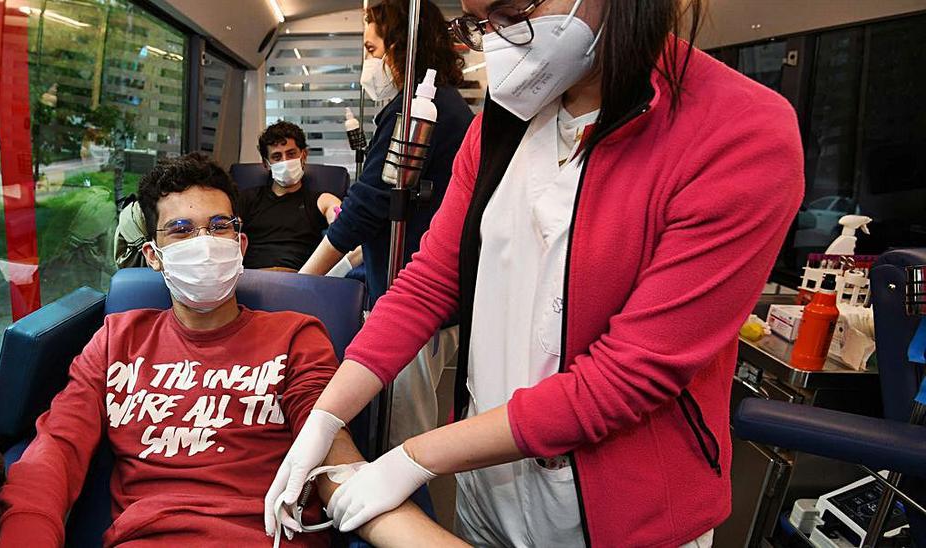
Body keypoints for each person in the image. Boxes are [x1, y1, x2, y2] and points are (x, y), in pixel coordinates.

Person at [268, 0, 805, 546]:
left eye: (513, 9)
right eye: (482, 22)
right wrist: (327, 417)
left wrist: (414, 457)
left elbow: (629, 376)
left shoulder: (740, 133)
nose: (502, 38)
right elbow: (430, 280)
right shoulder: (502, 124)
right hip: (488, 485)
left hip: (624, 515)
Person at [0, 153, 461, 547]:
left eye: (218, 227)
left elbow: (332, 457)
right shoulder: (118, 339)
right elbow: (54, 453)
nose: (203, 243)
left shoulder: (295, 335)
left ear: (240, 244)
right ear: (154, 257)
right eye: (180, 230)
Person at [298, 0, 473, 448]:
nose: (368, 64)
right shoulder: (431, 106)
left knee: (399, 439)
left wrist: (301, 283)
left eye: (372, 50)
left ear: (400, 46)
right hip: (421, 293)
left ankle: (401, 512)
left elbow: (371, 203)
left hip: (414, 301)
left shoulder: (420, 111)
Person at [238, 121, 342, 271]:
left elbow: (340, 217)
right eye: (277, 157)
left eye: (291, 154)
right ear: (266, 164)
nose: (285, 161)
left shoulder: (320, 200)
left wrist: (337, 218)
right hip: (253, 279)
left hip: (299, 281)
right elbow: (228, 232)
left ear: (303, 155)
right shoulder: (247, 199)